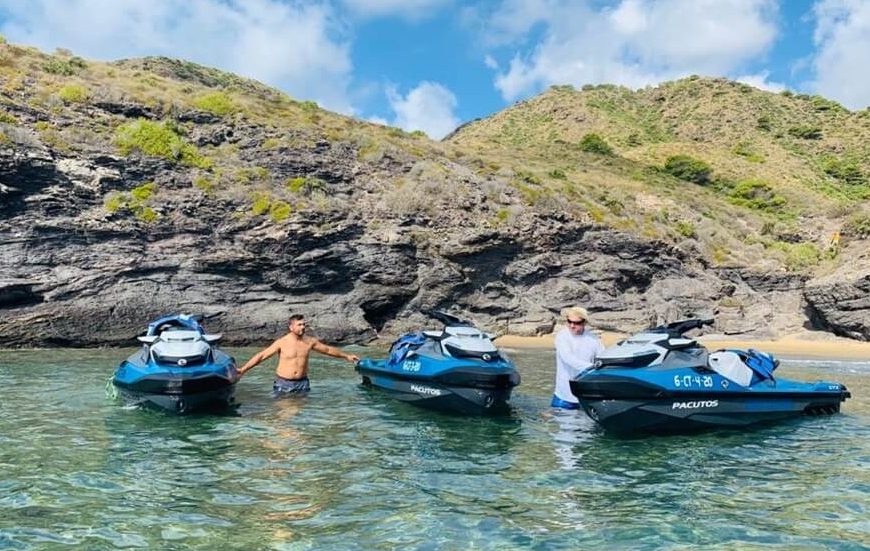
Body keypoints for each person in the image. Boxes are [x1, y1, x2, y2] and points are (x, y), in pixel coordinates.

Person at [238, 314, 360, 396]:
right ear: (291, 327)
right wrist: (243, 369)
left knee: (299, 414)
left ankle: (296, 434)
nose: (303, 327)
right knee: (284, 413)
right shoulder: (282, 342)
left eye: (304, 324)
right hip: (284, 383)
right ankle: (283, 434)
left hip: (303, 383)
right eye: (299, 325)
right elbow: (262, 356)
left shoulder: (309, 341)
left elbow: (327, 350)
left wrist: (346, 356)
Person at [551, 306, 604, 409]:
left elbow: (602, 358)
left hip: (586, 395)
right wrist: (593, 367)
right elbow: (568, 359)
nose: (572, 325)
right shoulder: (562, 337)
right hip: (564, 396)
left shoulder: (594, 339)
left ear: (584, 323)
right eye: (569, 322)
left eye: (576, 323)